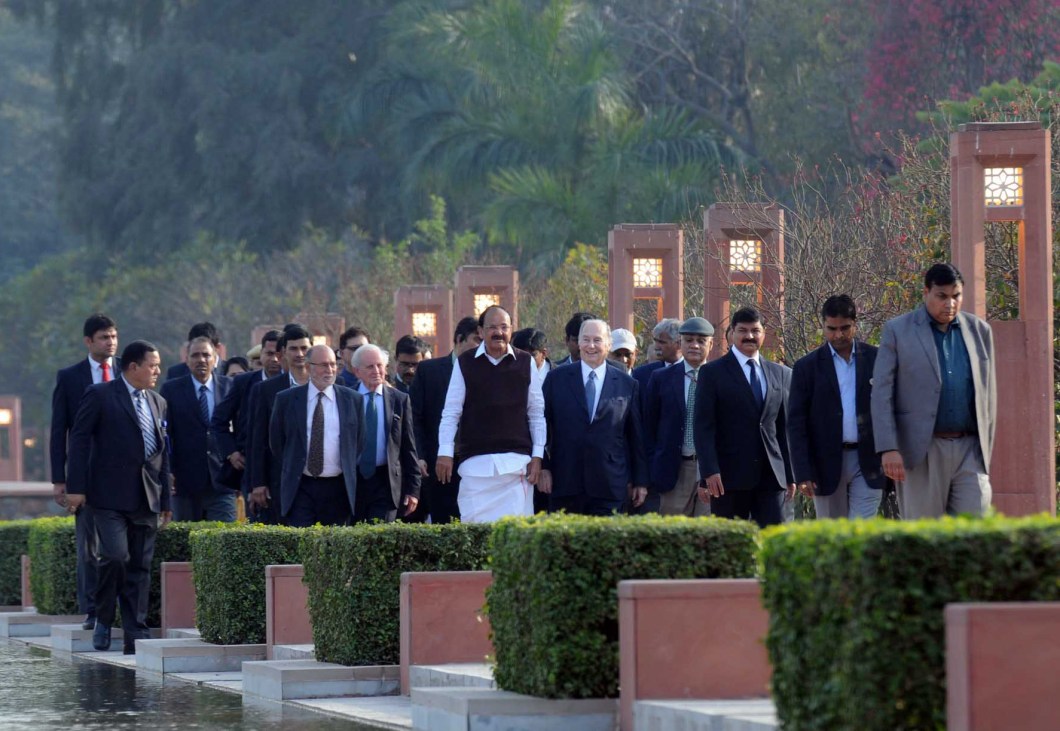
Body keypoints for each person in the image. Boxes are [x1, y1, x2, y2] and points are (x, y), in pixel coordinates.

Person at [65, 340, 172, 654]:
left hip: (147, 496)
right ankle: (102, 616)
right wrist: (76, 486)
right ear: (134, 367)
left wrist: (166, 500)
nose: (157, 371)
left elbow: (164, 455)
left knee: (139, 565)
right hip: (107, 496)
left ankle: (134, 632)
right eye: (152, 365)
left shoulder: (159, 402)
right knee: (114, 556)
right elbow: (80, 439)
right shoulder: (100, 395)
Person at [872, 263, 996, 518]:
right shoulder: (898, 331)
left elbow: (988, 393)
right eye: (942, 296)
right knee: (925, 539)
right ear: (926, 292)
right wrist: (888, 448)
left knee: (975, 533)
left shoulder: (980, 331)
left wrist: (985, 449)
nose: (950, 303)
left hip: (970, 450)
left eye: (956, 296)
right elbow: (882, 394)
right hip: (921, 451)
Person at [436, 305, 546, 522]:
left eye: (504, 327)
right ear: (480, 331)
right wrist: (445, 452)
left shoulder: (526, 362)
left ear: (512, 330)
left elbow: (536, 412)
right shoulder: (465, 362)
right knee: (475, 534)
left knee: (516, 537)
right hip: (475, 467)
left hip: (517, 466)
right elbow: (451, 412)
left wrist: (537, 456)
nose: (499, 332)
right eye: (492, 327)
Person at [694, 307, 795, 528]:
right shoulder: (712, 373)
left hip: (771, 476)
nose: (749, 336)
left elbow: (783, 428)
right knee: (730, 545)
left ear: (763, 333)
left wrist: (789, 472)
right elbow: (703, 427)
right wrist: (709, 471)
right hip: (728, 478)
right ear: (731, 333)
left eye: (755, 330)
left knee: (773, 541)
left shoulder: (780, 374)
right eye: (743, 330)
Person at [787, 295, 885, 519]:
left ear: (855, 324)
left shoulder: (876, 359)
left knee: (862, 533)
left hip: (868, 460)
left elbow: (890, 408)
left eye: (844, 328)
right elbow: (796, 423)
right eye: (832, 328)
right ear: (823, 325)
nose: (838, 335)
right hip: (825, 462)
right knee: (833, 534)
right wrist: (802, 472)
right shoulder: (806, 368)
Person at [50, 314, 117, 631]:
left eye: (114, 336)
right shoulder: (70, 377)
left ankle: (119, 607)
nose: (111, 342)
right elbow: (58, 431)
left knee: (119, 548)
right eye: (104, 337)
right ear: (89, 341)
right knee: (89, 548)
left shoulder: (127, 373)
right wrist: (59, 480)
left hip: (123, 474)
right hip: (85, 476)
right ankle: (92, 610)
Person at [540, 320, 648, 515]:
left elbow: (635, 436)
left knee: (605, 544)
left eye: (597, 340)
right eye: (586, 340)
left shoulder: (627, 384)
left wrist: (640, 481)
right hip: (565, 480)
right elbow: (541, 425)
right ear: (578, 344)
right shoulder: (556, 379)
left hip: (609, 482)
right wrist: (543, 467)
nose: (591, 346)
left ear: (608, 345)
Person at [270, 345, 364, 526]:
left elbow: (358, 442)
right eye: (323, 365)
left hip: (338, 487)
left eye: (332, 364)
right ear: (309, 366)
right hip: (301, 486)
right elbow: (277, 442)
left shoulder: (352, 400)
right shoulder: (286, 399)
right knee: (303, 544)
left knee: (333, 547)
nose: (329, 370)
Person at [407, 317, 481, 524]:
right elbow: (414, 418)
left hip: (476, 464)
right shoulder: (429, 371)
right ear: (459, 339)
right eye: (476, 340)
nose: (481, 346)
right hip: (438, 465)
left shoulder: (486, 373)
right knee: (444, 525)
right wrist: (420, 455)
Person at [160, 336, 236, 522]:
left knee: (224, 540)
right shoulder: (171, 390)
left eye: (206, 355)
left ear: (215, 358)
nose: (201, 360)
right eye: (195, 355)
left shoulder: (230, 387)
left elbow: (239, 428)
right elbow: (165, 435)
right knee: (185, 544)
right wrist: (167, 471)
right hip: (185, 483)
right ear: (187, 360)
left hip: (222, 481)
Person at [644, 317, 715, 516]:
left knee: (708, 535)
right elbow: (649, 427)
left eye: (701, 341)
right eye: (689, 340)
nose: (694, 345)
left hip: (710, 470)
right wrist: (654, 465)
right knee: (673, 537)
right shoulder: (661, 378)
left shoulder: (720, 376)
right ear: (680, 343)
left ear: (711, 344)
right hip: (675, 469)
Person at [246, 324, 312, 522]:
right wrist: (258, 482)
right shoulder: (267, 390)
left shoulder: (330, 386)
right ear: (283, 353)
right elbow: (258, 440)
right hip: (282, 478)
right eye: (293, 349)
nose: (300, 354)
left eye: (304, 349)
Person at [347, 344, 421, 522]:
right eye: (370, 366)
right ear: (357, 371)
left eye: (380, 365)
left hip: (385, 482)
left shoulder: (399, 400)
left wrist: (413, 489)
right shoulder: (346, 398)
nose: (376, 371)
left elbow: (408, 446)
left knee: (379, 536)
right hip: (352, 481)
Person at [210, 330, 282, 500]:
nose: (274, 359)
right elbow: (219, 420)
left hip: (281, 466)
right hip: (249, 465)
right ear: (261, 354)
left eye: (278, 354)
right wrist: (231, 452)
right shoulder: (244, 382)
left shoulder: (291, 384)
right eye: (269, 353)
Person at [631, 318, 684, 395]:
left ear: (679, 344)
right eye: (655, 341)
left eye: (662, 342)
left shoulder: (692, 372)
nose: (656, 347)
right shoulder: (641, 374)